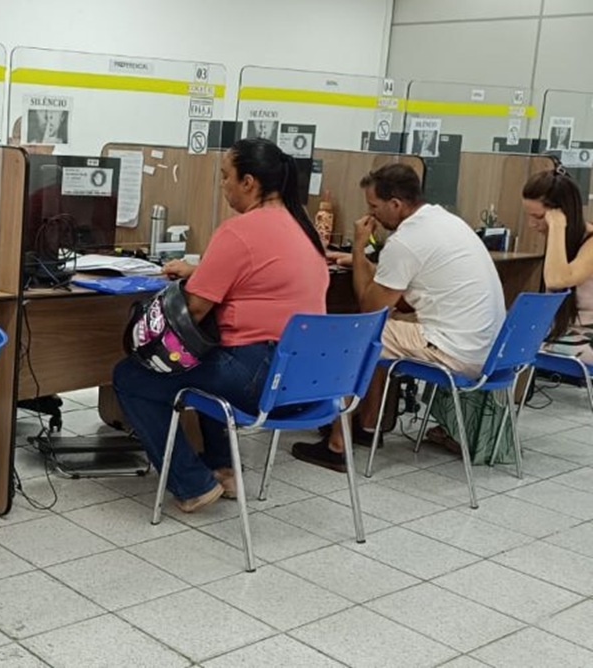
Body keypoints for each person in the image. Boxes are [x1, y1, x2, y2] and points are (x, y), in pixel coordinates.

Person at [112, 138, 328, 513]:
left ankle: (192, 484)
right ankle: (223, 469)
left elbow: (194, 309)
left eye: (226, 176)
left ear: (249, 182)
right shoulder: (303, 228)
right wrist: (199, 271)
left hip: (261, 378)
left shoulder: (240, 230)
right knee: (209, 362)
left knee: (131, 376)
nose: (223, 185)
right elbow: (259, 276)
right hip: (310, 381)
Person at [292, 163, 505, 471]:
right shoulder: (445, 221)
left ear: (395, 204)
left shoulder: (405, 240)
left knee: (358, 336)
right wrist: (358, 262)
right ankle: (368, 427)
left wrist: (360, 248)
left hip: (457, 351)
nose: (371, 214)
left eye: (373, 206)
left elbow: (370, 309)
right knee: (385, 335)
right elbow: (404, 278)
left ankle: (337, 445)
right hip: (487, 349)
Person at [522, 167, 593, 361]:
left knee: (524, 349)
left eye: (538, 217)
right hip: (564, 330)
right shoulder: (562, 241)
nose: (531, 224)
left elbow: (556, 281)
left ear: (562, 213)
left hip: (586, 335)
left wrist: (557, 226)